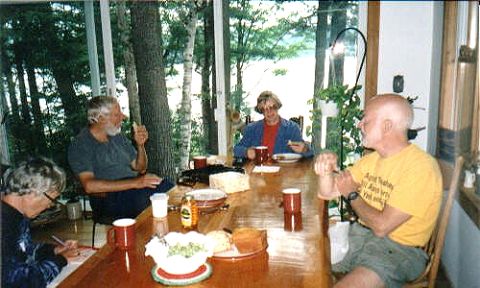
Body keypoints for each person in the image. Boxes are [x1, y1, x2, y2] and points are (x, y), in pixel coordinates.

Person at [314, 94, 442, 288]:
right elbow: (327, 192)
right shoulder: (372, 160)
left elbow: (382, 227)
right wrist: (326, 169)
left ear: (387, 126)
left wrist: (352, 194)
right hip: (360, 236)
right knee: (303, 265)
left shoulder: (421, 168)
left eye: (366, 120)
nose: (359, 125)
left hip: (398, 250)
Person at [68, 96, 174, 220]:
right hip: (108, 200)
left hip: (133, 190)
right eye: (117, 115)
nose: (123, 117)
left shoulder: (118, 137)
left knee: (168, 187)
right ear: (101, 119)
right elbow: (89, 186)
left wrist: (140, 145)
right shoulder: (80, 145)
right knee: (155, 197)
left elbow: (141, 168)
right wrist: (136, 183)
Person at [2, 157, 80, 288]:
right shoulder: (4, 225)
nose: (50, 205)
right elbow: (22, 283)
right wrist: (61, 260)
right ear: (32, 191)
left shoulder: (16, 214)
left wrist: (54, 250)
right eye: (51, 199)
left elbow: (24, 250)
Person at [233, 90, 313, 160]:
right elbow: (236, 149)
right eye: (265, 109)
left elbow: (309, 154)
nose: (269, 112)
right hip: (257, 172)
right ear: (261, 111)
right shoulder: (252, 128)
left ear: (278, 107)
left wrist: (304, 149)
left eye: (272, 107)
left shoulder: (292, 128)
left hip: (284, 173)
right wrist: (246, 152)